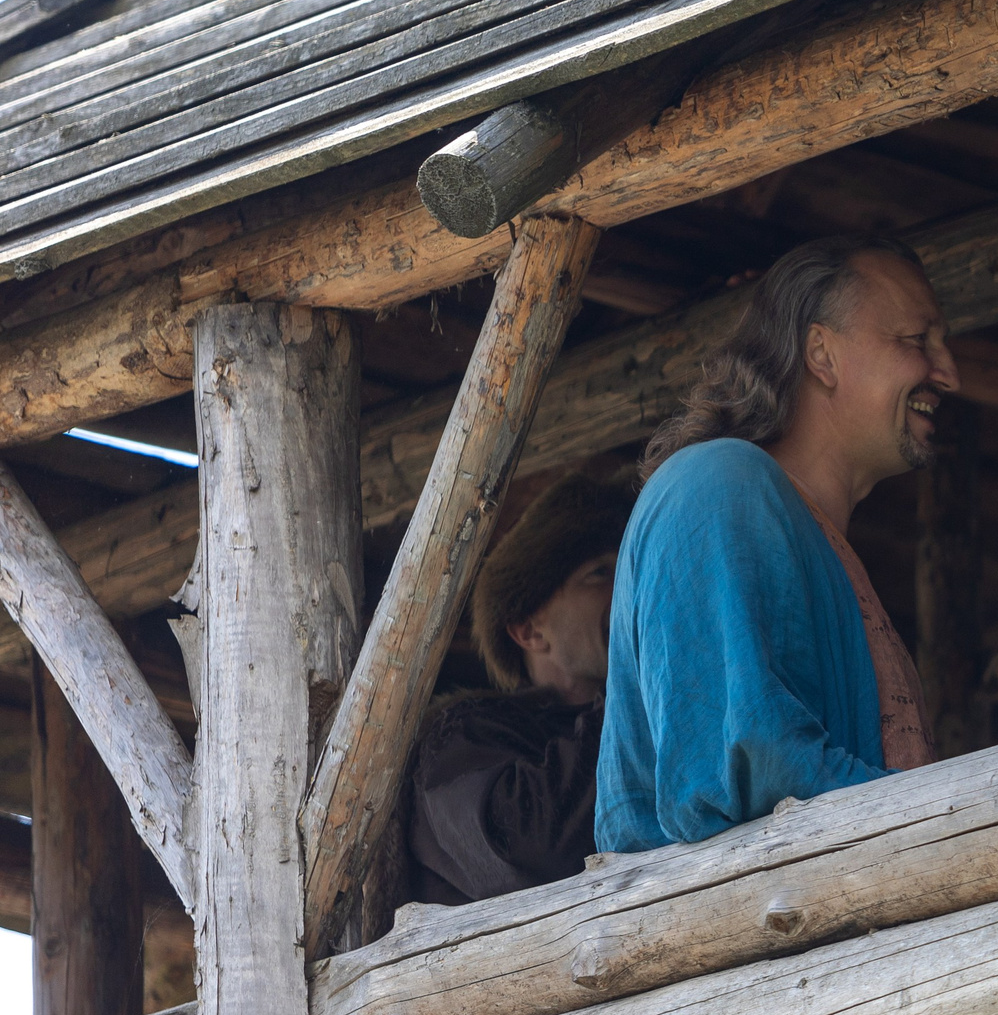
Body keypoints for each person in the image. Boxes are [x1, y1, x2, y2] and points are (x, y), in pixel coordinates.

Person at [596, 235, 954, 853]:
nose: (949, 372)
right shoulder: (717, 484)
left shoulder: (812, 536)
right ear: (822, 354)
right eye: (916, 340)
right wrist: (958, 825)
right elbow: (757, 776)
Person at [408, 474, 631, 904]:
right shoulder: (464, 738)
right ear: (529, 631)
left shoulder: (661, 710)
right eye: (600, 572)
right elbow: (531, 849)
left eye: (633, 569)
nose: (629, 589)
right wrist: (640, 682)